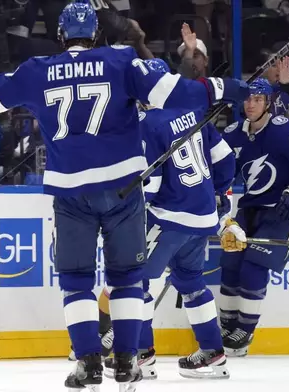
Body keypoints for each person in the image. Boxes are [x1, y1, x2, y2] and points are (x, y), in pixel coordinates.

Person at [0, 0, 249, 389]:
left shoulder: (37, 70)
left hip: (71, 194)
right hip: (123, 190)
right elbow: (180, 93)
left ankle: (87, 362)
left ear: (60, 35)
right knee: (126, 279)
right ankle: (125, 362)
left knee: (76, 281)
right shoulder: (120, 61)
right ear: (98, 35)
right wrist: (230, 88)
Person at [96, 58, 244, 380]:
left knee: (136, 281)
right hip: (201, 219)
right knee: (191, 283)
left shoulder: (148, 124)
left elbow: (152, 183)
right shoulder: (196, 115)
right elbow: (225, 159)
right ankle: (213, 353)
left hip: (168, 219)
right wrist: (216, 196)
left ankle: (140, 355)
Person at [218, 78, 289, 357]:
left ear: (268, 103)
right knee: (230, 266)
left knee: (253, 269)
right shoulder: (233, 134)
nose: (250, 104)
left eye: (257, 99)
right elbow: (214, 168)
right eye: (247, 99)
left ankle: (244, 330)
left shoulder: (282, 131)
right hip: (248, 209)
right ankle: (226, 327)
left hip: (280, 211)